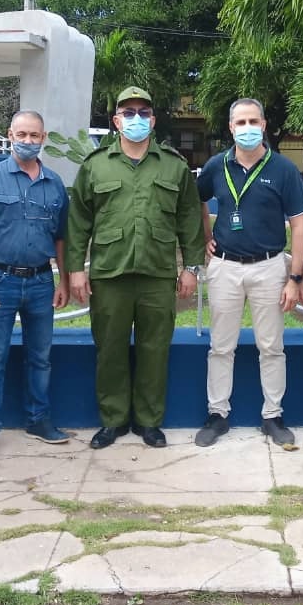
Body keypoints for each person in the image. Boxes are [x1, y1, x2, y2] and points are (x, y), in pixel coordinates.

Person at [67, 86, 206, 449]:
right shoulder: (95, 165)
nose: (136, 119)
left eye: (143, 112)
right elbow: (78, 221)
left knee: (154, 350)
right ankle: (112, 421)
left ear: (153, 120)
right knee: (110, 349)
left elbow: (190, 220)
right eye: (128, 113)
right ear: (115, 120)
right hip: (109, 275)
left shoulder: (173, 165)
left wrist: (191, 267)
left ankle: (148, 422)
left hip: (158, 275)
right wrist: (76, 271)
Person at [193, 98, 303, 448]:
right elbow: (197, 202)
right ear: (230, 128)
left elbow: (300, 226)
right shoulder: (216, 166)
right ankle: (218, 414)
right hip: (225, 266)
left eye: (253, 121)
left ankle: (272, 416)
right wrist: (205, 238)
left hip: (270, 267)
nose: (247, 128)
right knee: (220, 346)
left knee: (272, 347)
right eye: (240, 122)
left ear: (264, 124)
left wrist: (296, 276)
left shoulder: (283, 169)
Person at [0, 111, 72, 460]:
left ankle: (38, 420)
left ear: (44, 137)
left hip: (40, 281)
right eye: (21, 134)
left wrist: (63, 280)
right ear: (10, 135)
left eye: (34, 135)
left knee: (40, 358)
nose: (28, 141)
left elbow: (60, 239)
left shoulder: (54, 183)